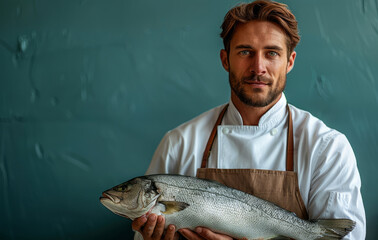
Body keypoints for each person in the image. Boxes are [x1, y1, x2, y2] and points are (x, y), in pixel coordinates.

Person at [132, 1, 366, 239]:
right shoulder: (179, 144)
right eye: (245, 52)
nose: (258, 67)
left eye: (272, 53)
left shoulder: (327, 148)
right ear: (225, 60)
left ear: (290, 61)